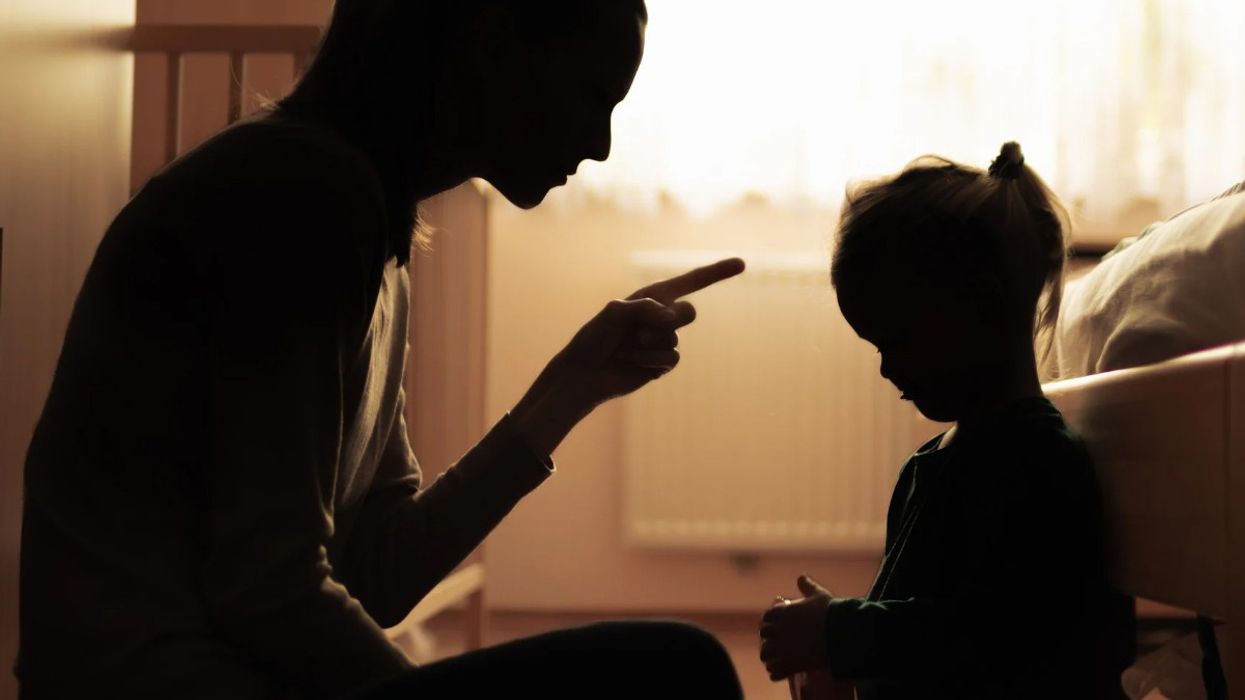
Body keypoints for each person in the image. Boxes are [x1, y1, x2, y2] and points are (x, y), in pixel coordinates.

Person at [17, 1, 745, 697]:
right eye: (591, 95)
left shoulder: (366, 219)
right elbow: (270, 594)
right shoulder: (299, 195)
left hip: (225, 674)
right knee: (677, 669)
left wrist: (569, 389)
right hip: (161, 683)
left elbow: (378, 572)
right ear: (490, 48)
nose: (600, 144)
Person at [759, 142, 1134, 699]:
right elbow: (929, 635)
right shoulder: (926, 469)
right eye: (875, 347)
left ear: (983, 306)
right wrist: (845, 668)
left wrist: (843, 632)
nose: (886, 368)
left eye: (899, 340)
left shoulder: (1040, 461)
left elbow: (1008, 632)